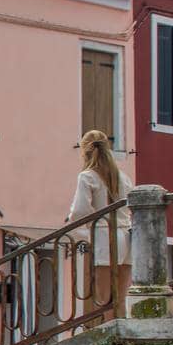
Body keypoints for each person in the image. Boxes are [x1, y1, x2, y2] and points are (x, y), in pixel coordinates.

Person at [68, 129, 134, 316]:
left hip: (104, 236)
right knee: (120, 297)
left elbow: (80, 210)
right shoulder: (123, 176)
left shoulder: (87, 176)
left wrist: (79, 220)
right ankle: (122, 340)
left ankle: (109, 340)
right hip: (126, 236)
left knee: (104, 298)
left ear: (85, 151)